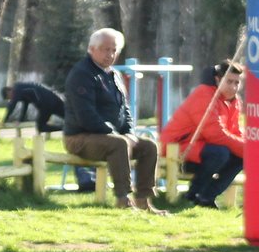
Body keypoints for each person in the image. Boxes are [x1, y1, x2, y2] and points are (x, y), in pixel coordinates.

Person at [62, 27, 167, 215]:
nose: (110, 54)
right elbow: (86, 115)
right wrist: (115, 134)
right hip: (80, 137)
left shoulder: (114, 75)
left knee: (149, 146)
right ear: (91, 49)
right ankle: (123, 199)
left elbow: (125, 110)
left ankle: (143, 201)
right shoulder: (82, 74)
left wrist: (129, 132)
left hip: (112, 137)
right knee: (119, 144)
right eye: (104, 49)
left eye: (114, 50)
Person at [159, 59, 245, 209]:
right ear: (218, 79)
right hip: (177, 148)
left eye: (237, 83)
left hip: (203, 149)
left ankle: (206, 197)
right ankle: (193, 195)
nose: (234, 87)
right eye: (229, 81)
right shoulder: (204, 94)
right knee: (222, 153)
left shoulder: (235, 101)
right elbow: (215, 134)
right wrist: (250, 150)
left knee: (239, 158)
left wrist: (249, 150)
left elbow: (235, 132)